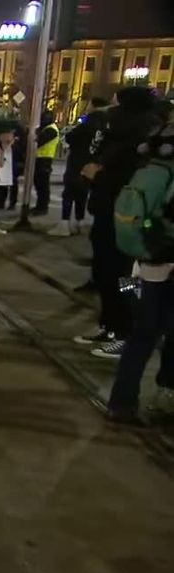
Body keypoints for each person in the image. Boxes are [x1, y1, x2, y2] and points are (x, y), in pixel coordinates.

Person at [76, 86, 161, 359]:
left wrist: (97, 176)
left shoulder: (143, 140)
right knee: (105, 272)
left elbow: (132, 183)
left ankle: (125, 333)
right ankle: (111, 326)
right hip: (108, 214)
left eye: (116, 103)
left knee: (124, 277)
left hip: (128, 221)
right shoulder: (117, 134)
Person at [106, 114, 174, 424]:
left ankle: (121, 401)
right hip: (168, 260)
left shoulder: (151, 163)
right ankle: (166, 397)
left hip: (146, 262)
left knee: (142, 334)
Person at [49, 97, 110, 237]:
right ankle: (79, 221)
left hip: (77, 163)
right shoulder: (105, 125)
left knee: (69, 193)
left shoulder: (88, 123)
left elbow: (70, 137)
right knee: (82, 193)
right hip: (92, 164)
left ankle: (64, 224)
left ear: (93, 106)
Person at [33, 111, 61, 213]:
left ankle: (42, 207)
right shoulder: (47, 128)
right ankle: (40, 206)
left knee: (42, 185)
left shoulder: (51, 130)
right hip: (41, 159)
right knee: (39, 184)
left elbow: (39, 141)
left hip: (45, 159)